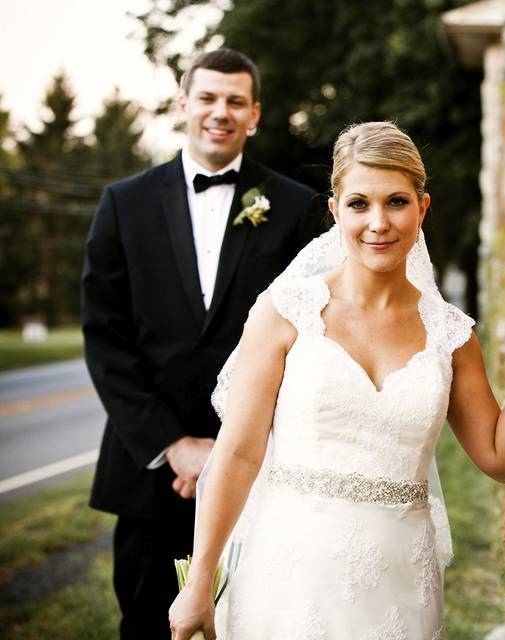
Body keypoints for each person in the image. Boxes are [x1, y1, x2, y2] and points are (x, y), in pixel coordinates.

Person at [168, 121, 505, 639]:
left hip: (401, 590)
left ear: (423, 208)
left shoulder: (450, 335)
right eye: (359, 204)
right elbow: (237, 455)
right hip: (287, 580)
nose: (378, 222)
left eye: (396, 202)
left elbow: (503, 460)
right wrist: (199, 584)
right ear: (335, 212)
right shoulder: (285, 313)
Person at [81, 48, 324, 639]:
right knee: (147, 625)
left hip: (260, 470)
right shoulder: (124, 203)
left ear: (255, 114)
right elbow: (104, 336)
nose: (221, 112)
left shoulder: (295, 208)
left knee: (255, 623)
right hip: (151, 473)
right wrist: (174, 445)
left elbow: (313, 336)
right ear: (184, 104)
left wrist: (235, 445)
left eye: (235, 101)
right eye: (208, 98)